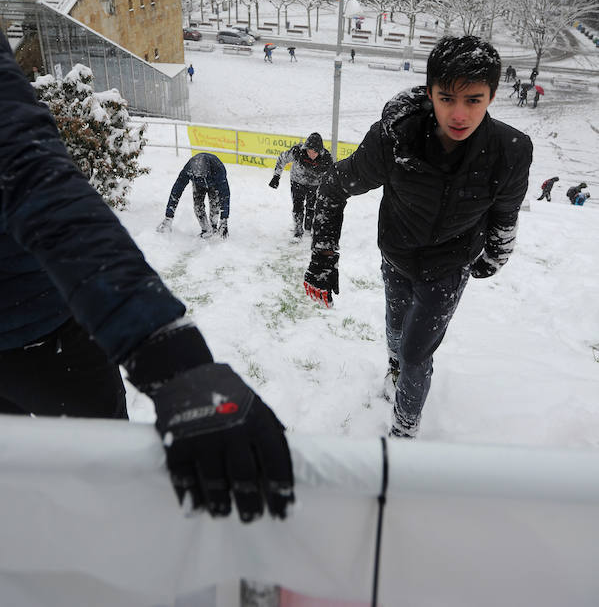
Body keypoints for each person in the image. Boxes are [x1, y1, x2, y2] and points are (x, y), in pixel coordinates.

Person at [0, 32, 293, 522]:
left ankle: (116, 540)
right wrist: (169, 214)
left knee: (107, 471)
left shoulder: (215, 172)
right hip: (40, 332)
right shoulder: (189, 170)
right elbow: (179, 190)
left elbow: (38, 182)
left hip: (45, 330)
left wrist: (175, 362)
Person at [303, 36, 532, 439]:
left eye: (474, 100)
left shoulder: (509, 151)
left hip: (449, 268)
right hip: (396, 256)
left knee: (415, 353)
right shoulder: (395, 139)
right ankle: (394, 368)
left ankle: (404, 431)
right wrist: (323, 256)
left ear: (492, 96)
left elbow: (505, 215)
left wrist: (491, 258)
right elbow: (333, 187)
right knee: (394, 328)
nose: (459, 113)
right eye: (447, 98)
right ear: (430, 93)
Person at [269, 133, 333, 238]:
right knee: (297, 206)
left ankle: (308, 228)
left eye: (314, 152)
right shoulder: (297, 152)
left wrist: (329, 189)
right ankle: (298, 229)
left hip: (315, 185)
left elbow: (330, 175)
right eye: (309, 151)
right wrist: (276, 176)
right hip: (297, 182)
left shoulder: (326, 158)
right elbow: (282, 158)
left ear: (319, 151)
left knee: (312, 207)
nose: (311, 155)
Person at [158, 152, 230, 239]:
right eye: (199, 176)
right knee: (198, 206)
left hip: (213, 183)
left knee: (215, 205)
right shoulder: (188, 170)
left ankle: (214, 228)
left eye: (203, 176)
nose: (202, 178)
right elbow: (176, 191)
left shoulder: (218, 168)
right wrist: (168, 216)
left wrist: (224, 221)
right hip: (198, 184)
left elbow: (225, 195)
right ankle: (206, 230)